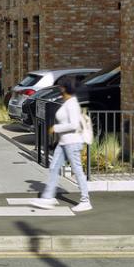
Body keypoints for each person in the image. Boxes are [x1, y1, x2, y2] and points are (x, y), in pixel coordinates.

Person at [32, 75, 92, 213]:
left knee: (77, 171)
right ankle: (48, 197)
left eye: (60, 86)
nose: (59, 88)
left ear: (64, 88)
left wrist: (56, 128)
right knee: (53, 168)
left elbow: (74, 124)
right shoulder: (67, 102)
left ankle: (85, 200)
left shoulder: (72, 104)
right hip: (64, 142)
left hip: (72, 142)